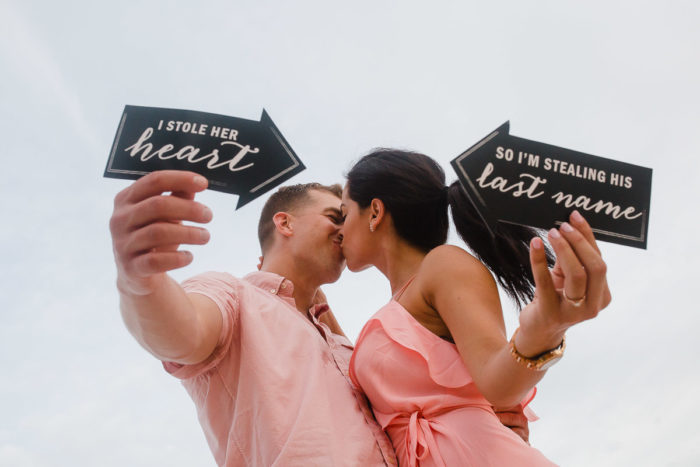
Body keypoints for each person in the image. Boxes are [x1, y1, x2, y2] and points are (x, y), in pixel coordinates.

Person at [109, 170, 531, 466]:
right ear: (285, 223)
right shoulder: (233, 296)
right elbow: (180, 331)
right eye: (335, 216)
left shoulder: (352, 349)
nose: (344, 230)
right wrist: (139, 281)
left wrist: (484, 426)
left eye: (346, 218)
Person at [339, 149, 612, 466]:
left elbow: (498, 384)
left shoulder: (442, 265)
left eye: (343, 214)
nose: (340, 229)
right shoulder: (404, 296)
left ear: (375, 211)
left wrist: (543, 332)